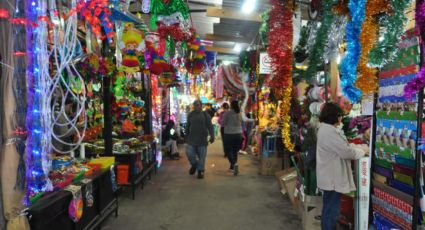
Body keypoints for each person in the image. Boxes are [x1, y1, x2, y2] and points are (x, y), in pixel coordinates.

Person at [316, 102, 368, 230]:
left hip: (329, 177)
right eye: (339, 115)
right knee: (331, 213)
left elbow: (342, 147)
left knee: (329, 210)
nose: (341, 118)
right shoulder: (329, 132)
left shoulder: (327, 129)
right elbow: (346, 152)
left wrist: (357, 147)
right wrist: (363, 151)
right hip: (332, 179)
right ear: (334, 116)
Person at [185, 100, 215, 179]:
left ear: (201, 106)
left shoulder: (205, 115)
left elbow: (210, 126)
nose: (196, 106)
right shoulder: (190, 115)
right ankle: (194, 165)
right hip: (191, 139)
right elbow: (187, 126)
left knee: (202, 157)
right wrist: (186, 136)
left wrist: (212, 136)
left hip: (202, 140)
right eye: (195, 105)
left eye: (198, 105)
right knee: (190, 154)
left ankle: (200, 171)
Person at [222, 100, 243, 176]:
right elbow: (242, 121)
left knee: (228, 151)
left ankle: (234, 164)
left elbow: (223, 123)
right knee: (234, 151)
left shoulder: (227, 113)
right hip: (238, 134)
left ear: (231, 105)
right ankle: (233, 167)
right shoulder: (239, 113)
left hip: (229, 134)